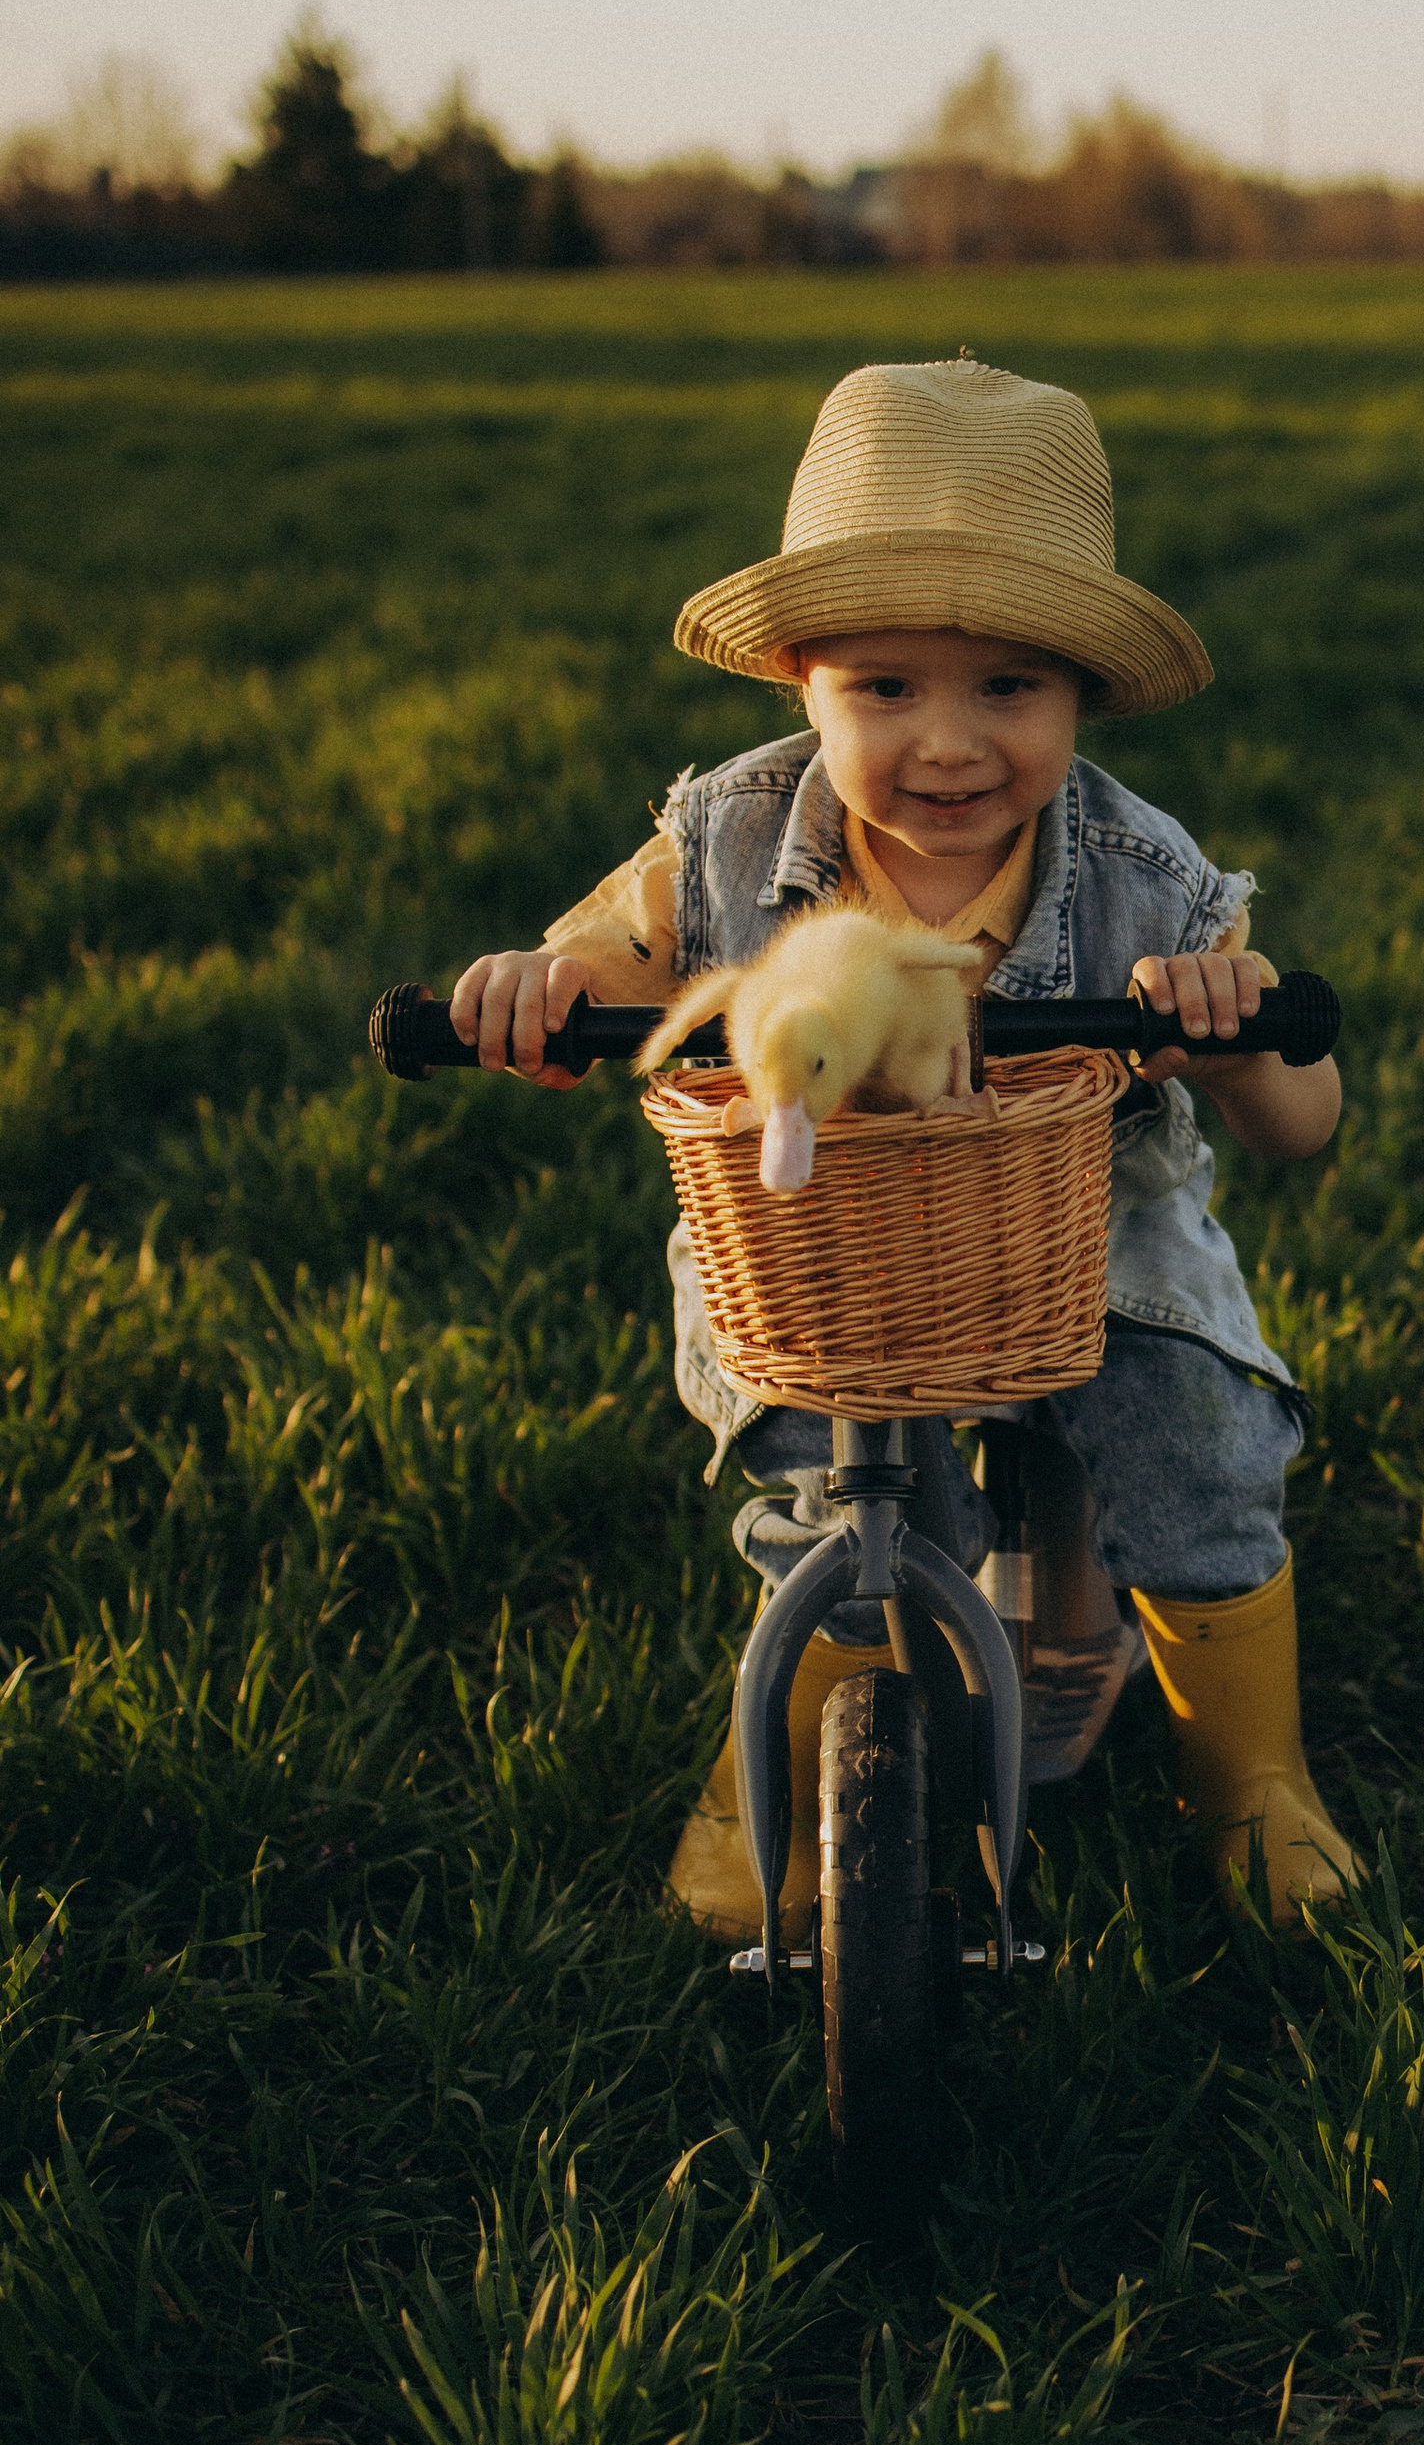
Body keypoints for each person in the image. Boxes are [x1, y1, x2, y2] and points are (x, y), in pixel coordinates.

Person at [449, 353, 1358, 1935]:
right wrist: (547, 992)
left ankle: (1254, 1784)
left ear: (1080, 691)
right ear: (799, 676)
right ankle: (776, 1771)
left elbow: (1307, 1120)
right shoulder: (728, 839)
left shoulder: (1144, 872)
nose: (949, 745)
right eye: (885, 689)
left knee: (1194, 1437)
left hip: (1085, 1245)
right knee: (831, 1482)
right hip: (814, 1250)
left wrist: (1230, 1037)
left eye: (1009, 687)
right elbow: (603, 962)